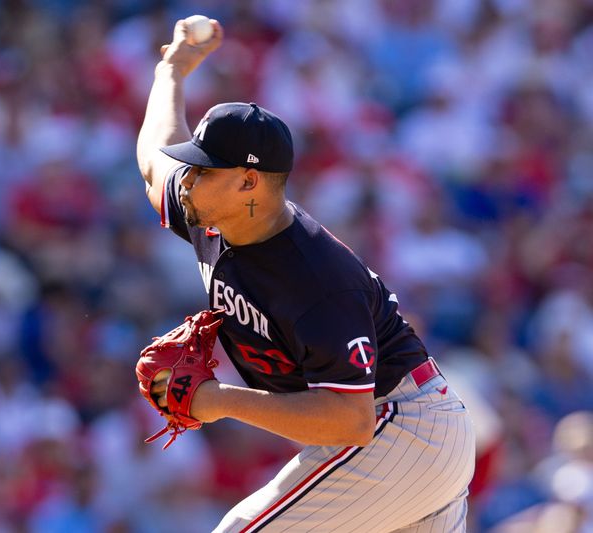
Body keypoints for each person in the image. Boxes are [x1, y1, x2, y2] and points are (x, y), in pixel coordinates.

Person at [136, 18, 476, 533]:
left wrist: (218, 400)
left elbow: (350, 420)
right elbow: (152, 159)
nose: (188, 179)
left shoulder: (316, 277)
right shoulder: (215, 214)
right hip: (400, 442)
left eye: (203, 170)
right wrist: (172, 70)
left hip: (401, 428)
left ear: (249, 181)